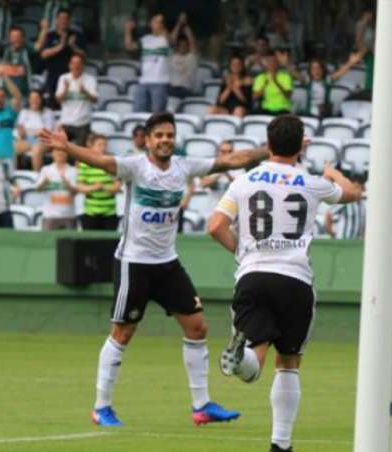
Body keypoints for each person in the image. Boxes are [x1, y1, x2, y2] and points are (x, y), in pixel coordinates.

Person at [39, 112, 270, 427]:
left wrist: (271, 151)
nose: (165, 140)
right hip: (134, 263)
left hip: (167, 263)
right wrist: (67, 148)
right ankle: (101, 407)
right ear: (147, 140)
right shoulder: (136, 167)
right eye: (159, 135)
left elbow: (233, 160)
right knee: (123, 332)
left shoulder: (184, 167)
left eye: (169, 135)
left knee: (197, 327)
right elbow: (101, 161)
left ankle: (201, 405)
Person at [207, 114, 362, 452]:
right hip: (294, 276)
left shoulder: (243, 182)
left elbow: (215, 225)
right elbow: (354, 193)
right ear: (302, 142)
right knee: (288, 361)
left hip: (253, 273)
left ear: (268, 142)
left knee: (255, 360)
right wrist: (332, 173)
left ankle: (241, 356)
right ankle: (280, 445)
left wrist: (242, 253)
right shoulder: (311, 182)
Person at [37, 8, 86, 109]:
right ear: (56, 20)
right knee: (52, 106)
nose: (63, 21)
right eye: (61, 18)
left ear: (69, 20)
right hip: (53, 77)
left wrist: (73, 47)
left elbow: (84, 55)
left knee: (70, 106)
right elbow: (44, 54)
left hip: (71, 77)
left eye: (66, 18)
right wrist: (61, 46)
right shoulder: (50, 35)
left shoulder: (76, 35)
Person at [293, 52, 365, 118]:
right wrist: (285, 63)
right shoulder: (308, 81)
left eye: (318, 68)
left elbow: (339, 73)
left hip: (324, 114)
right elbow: (296, 74)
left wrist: (350, 62)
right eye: (313, 69)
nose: (316, 71)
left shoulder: (327, 81)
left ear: (323, 70)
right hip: (309, 114)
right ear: (310, 71)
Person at [125, 13, 173, 113]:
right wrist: (128, 30)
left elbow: (171, 41)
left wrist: (162, 26)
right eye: (153, 21)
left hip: (160, 82)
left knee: (157, 113)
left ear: (162, 24)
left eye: (157, 21)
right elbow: (129, 46)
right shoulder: (145, 39)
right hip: (143, 81)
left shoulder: (166, 38)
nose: (153, 23)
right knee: (138, 111)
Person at [76, 134, 121, 231]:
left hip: (110, 212)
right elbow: (80, 187)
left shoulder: (112, 163)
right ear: (92, 147)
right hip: (90, 212)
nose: (103, 147)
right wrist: (94, 187)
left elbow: (117, 187)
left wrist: (104, 187)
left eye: (104, 145)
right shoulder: (84, 164)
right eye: (99, 145)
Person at [55, 53, 97, 146]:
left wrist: (85, 92)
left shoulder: (90, 79)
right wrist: (66, 90)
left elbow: (95, 100)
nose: (76, 66)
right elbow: (58, 100)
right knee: (61, 150)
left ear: (82, 65)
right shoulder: (63, 78)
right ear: (69, 65)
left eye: (78, 63)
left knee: (81, 153)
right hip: (66, 122)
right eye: (73, 63)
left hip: (83, 123)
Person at [35, 148, 78, 230]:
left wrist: (66, 183)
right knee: (47, 241)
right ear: (52, 154)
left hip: (69, 215)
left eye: (62, 151)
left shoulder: (73, 171)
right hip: (50, 215)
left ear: (67, 154)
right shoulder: (46, 170)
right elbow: (38, 189)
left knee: (71, 242)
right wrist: (45, 182)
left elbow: (76, 192)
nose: (60, 154)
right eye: (57, 152)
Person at [15, 90, 55, 171]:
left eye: (37, 98)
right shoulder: (24, 112)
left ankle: (37, 178)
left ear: (41, 99)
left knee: (36, 150)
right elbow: (20, 130)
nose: (34, 101)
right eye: (32, 98)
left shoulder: (48, 112)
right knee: (12, 148)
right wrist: (21, 132)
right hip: (27, 140)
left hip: (43, 141)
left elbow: (47, 132)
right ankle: (14, 177)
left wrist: (30, 131)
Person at [200, 140, 242, 212]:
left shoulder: (239, 167)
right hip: (213, 210)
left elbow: (240, 187)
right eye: (223, 151)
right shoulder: (210, 166)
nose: (226, 154)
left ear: (234, 152)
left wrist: (227, 173)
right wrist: (220, 172)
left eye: (229, 151)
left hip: (231, 211)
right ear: (218, 152)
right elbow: (203, 184)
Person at [324, 173, 365, 239]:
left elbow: (363, 224)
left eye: (358, 188)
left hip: (356, 241)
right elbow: (328, 214)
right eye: (354, 187)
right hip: (343, 240)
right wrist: (331, 232)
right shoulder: (346, 202)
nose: (357, 190)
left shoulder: (363, 205)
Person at [252, 50, 294, 115]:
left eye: (274, 62)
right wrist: (264, 84)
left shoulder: (286, 76)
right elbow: (255, 97)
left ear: (277, 63)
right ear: (266, 63)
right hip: (266, 109)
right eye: (269, 62)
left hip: (283, 109)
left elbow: (288, 95)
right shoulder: (260, 77)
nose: (271, 64)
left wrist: (276, 82)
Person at [168, 13, 199, 99]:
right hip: (170, 89)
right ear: (177, 46)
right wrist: (178, 23)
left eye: (185, 45)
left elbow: (192, 41)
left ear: (188, 46)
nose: (182, 47)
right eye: (180, 45)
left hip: (185, 91)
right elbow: (171, 41)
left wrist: (185, 25)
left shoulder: (191, 57)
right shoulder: (172, 56)